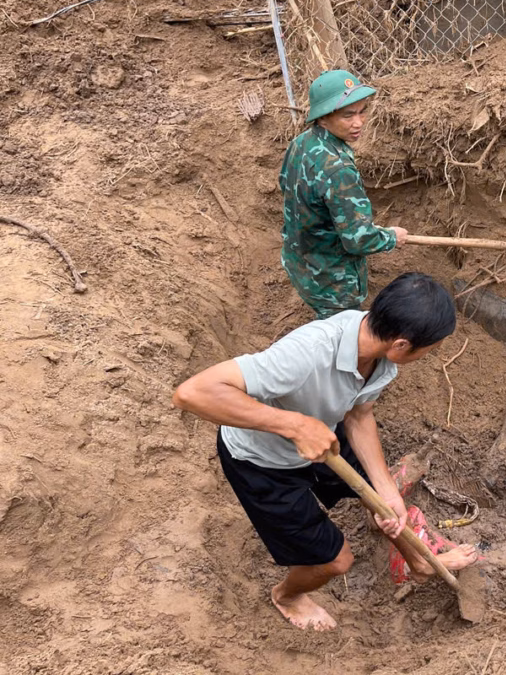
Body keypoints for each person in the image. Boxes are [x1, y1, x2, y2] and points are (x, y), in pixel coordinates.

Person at [172, 272, 478, 631]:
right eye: (431, 349)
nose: (431, 355)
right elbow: (192, 393)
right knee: (335, 562)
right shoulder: (307, 353)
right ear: (400, 344)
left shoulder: (378, 356)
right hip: (263, 462)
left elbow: (359, 414)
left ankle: (421, 564)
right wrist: (295, 426)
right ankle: (286, 596)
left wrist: (386, 488)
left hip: (324, 435)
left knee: (382, 500)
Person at [280, 70, 407, 319]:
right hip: (331, 281)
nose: (358, 122)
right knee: (342, 338)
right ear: (323, 118)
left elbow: (285, 184)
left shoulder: (302, 143)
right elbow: (358, 240)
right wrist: (391, 237)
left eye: (362, 111)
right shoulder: (337, 169)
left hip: (300, 261)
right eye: (348, 115)